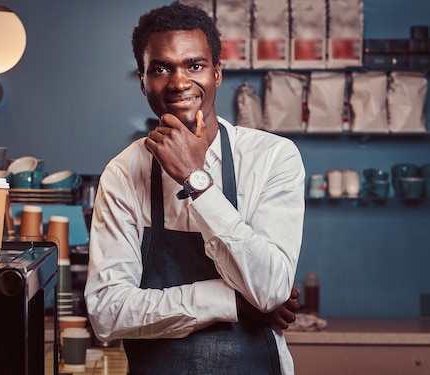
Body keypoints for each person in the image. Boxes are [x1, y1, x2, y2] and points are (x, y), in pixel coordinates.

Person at [84, 2, 305, 374]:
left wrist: (196, 180)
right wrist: (231, 301)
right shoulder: (123, 173)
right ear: (142, 81)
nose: (179, 82)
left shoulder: (273, 157)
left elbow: (269, 291)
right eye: (161, 68)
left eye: (195, 65)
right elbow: (107, 312)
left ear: (217, 74)